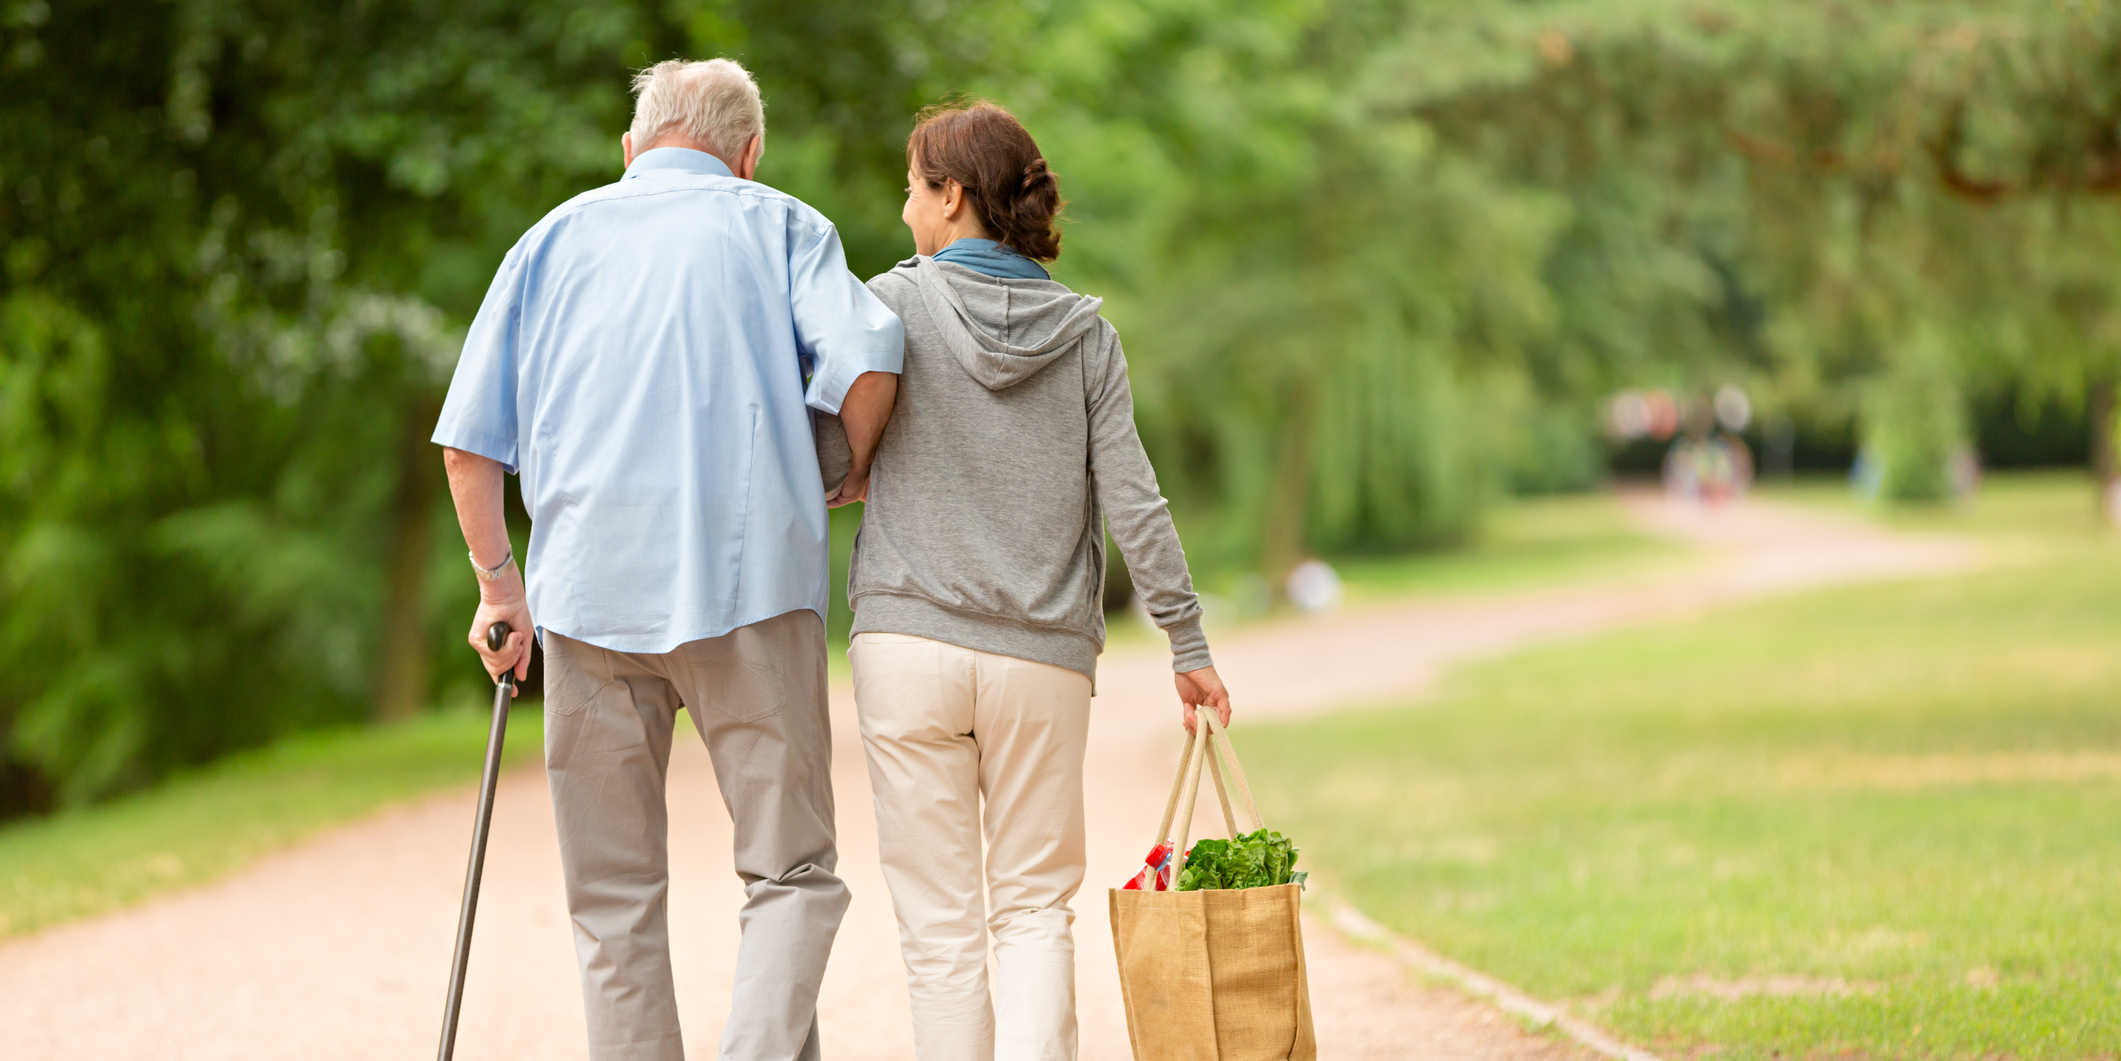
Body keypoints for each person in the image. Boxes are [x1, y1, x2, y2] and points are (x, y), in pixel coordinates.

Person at [432, 58, 903, 1061]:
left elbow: (469, 447)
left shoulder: (549, 240)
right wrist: (848, 463)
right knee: (790, 873)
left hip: (588, 602)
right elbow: (868, 356)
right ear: (749, 150)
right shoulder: (779, 223)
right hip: (752, 592)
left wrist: (498, 589)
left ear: (631, 147)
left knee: (611, 897)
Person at [838, 101, 1232, 1061]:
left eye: (911, 189)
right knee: (1031, 911)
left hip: (907, 646)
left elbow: (824, 451)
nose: (903, 212)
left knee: (938, 928)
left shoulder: (884, 305)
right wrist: (1187, 644)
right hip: (1041, 661)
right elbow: (1136, 503)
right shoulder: (1086, 337)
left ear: (952, 196)